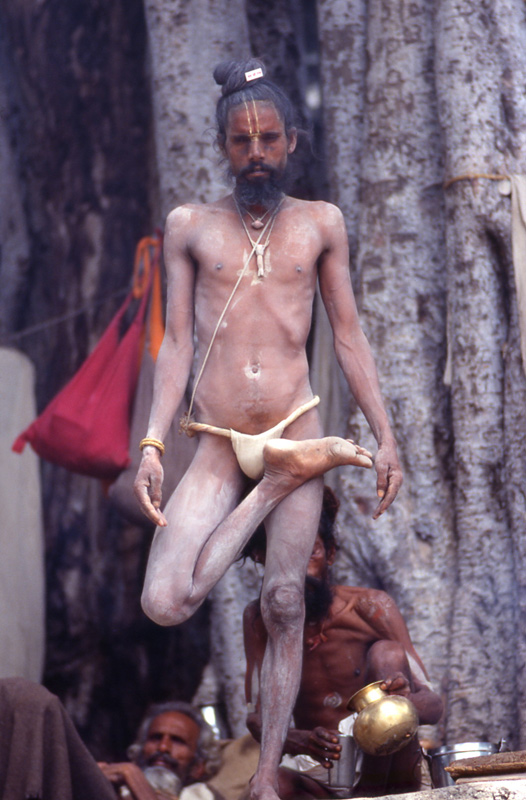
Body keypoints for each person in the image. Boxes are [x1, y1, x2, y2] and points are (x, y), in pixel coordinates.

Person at [133, 58, 403, 800]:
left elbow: (348, 337)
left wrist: (387, 437)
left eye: (269, 139)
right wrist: (154, 445)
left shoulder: (321, 223)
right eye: (241, 141)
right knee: (164, 601)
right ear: (223, 145)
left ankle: (264, 783)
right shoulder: (191, 225)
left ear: (294, 141)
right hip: (218, 439)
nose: (256, 154)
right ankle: (275, 484)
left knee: (284, 603)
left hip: (295, 422)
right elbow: (177, 345)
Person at [243, 488, 443, 798]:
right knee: (271, 784)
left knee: (386, 653)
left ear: (331, 554)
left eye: (310, 552)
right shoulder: (259, 620)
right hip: (318, 769)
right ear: (261, 560)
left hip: (388, 773)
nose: (296, 568)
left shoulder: (371, 607)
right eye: (281, 554)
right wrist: (297, 738)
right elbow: (257, 719)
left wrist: (400, 704)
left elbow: (433, 706)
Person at [0, 677, 222, 800]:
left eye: (177, 741)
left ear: (198, 767)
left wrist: (131, 775)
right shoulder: (114, 783)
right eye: (155, 738)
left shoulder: (202, 796)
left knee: (31, 699)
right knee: (22, 700)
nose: (163, 747)